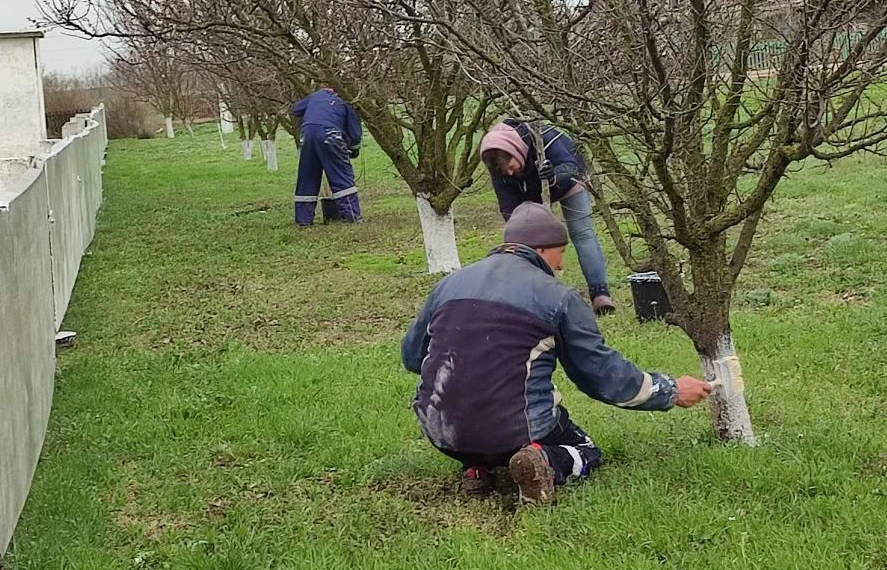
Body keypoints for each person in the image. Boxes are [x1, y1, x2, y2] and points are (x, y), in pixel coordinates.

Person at [401, 202, 711, 505]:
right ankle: (543, 461)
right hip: (512, 433)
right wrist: (669, 390)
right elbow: (601, 376)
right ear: (541, 250)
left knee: (473, 412)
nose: (561, 265)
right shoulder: (558, 298)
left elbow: (413, 357)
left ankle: (475, 467)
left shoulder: (448, 284)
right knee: (585, 450)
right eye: (561, 253)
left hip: (440, 431)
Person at [479, 119, 616, 314]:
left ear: (516, 152)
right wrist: (518, 232)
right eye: (505, 172)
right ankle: (539, 296)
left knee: (582, 233)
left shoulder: (543, 136)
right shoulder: (497, 163)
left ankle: (600, 294)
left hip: (568, 182)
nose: (509, 173)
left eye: (511, 166)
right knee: (527, 244)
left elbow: (571, 166)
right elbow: (508, 207)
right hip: (530, 194)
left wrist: (553, 177)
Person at [291, 87, 363, 225]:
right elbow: (354, 135)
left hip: (307, 135)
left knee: (307, 176)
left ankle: (303, 220)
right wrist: (354, 150)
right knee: (341, 174)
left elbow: (295, 109)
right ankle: (351, 216)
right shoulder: (347, 101)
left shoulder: (316, 96)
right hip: (330, 134)